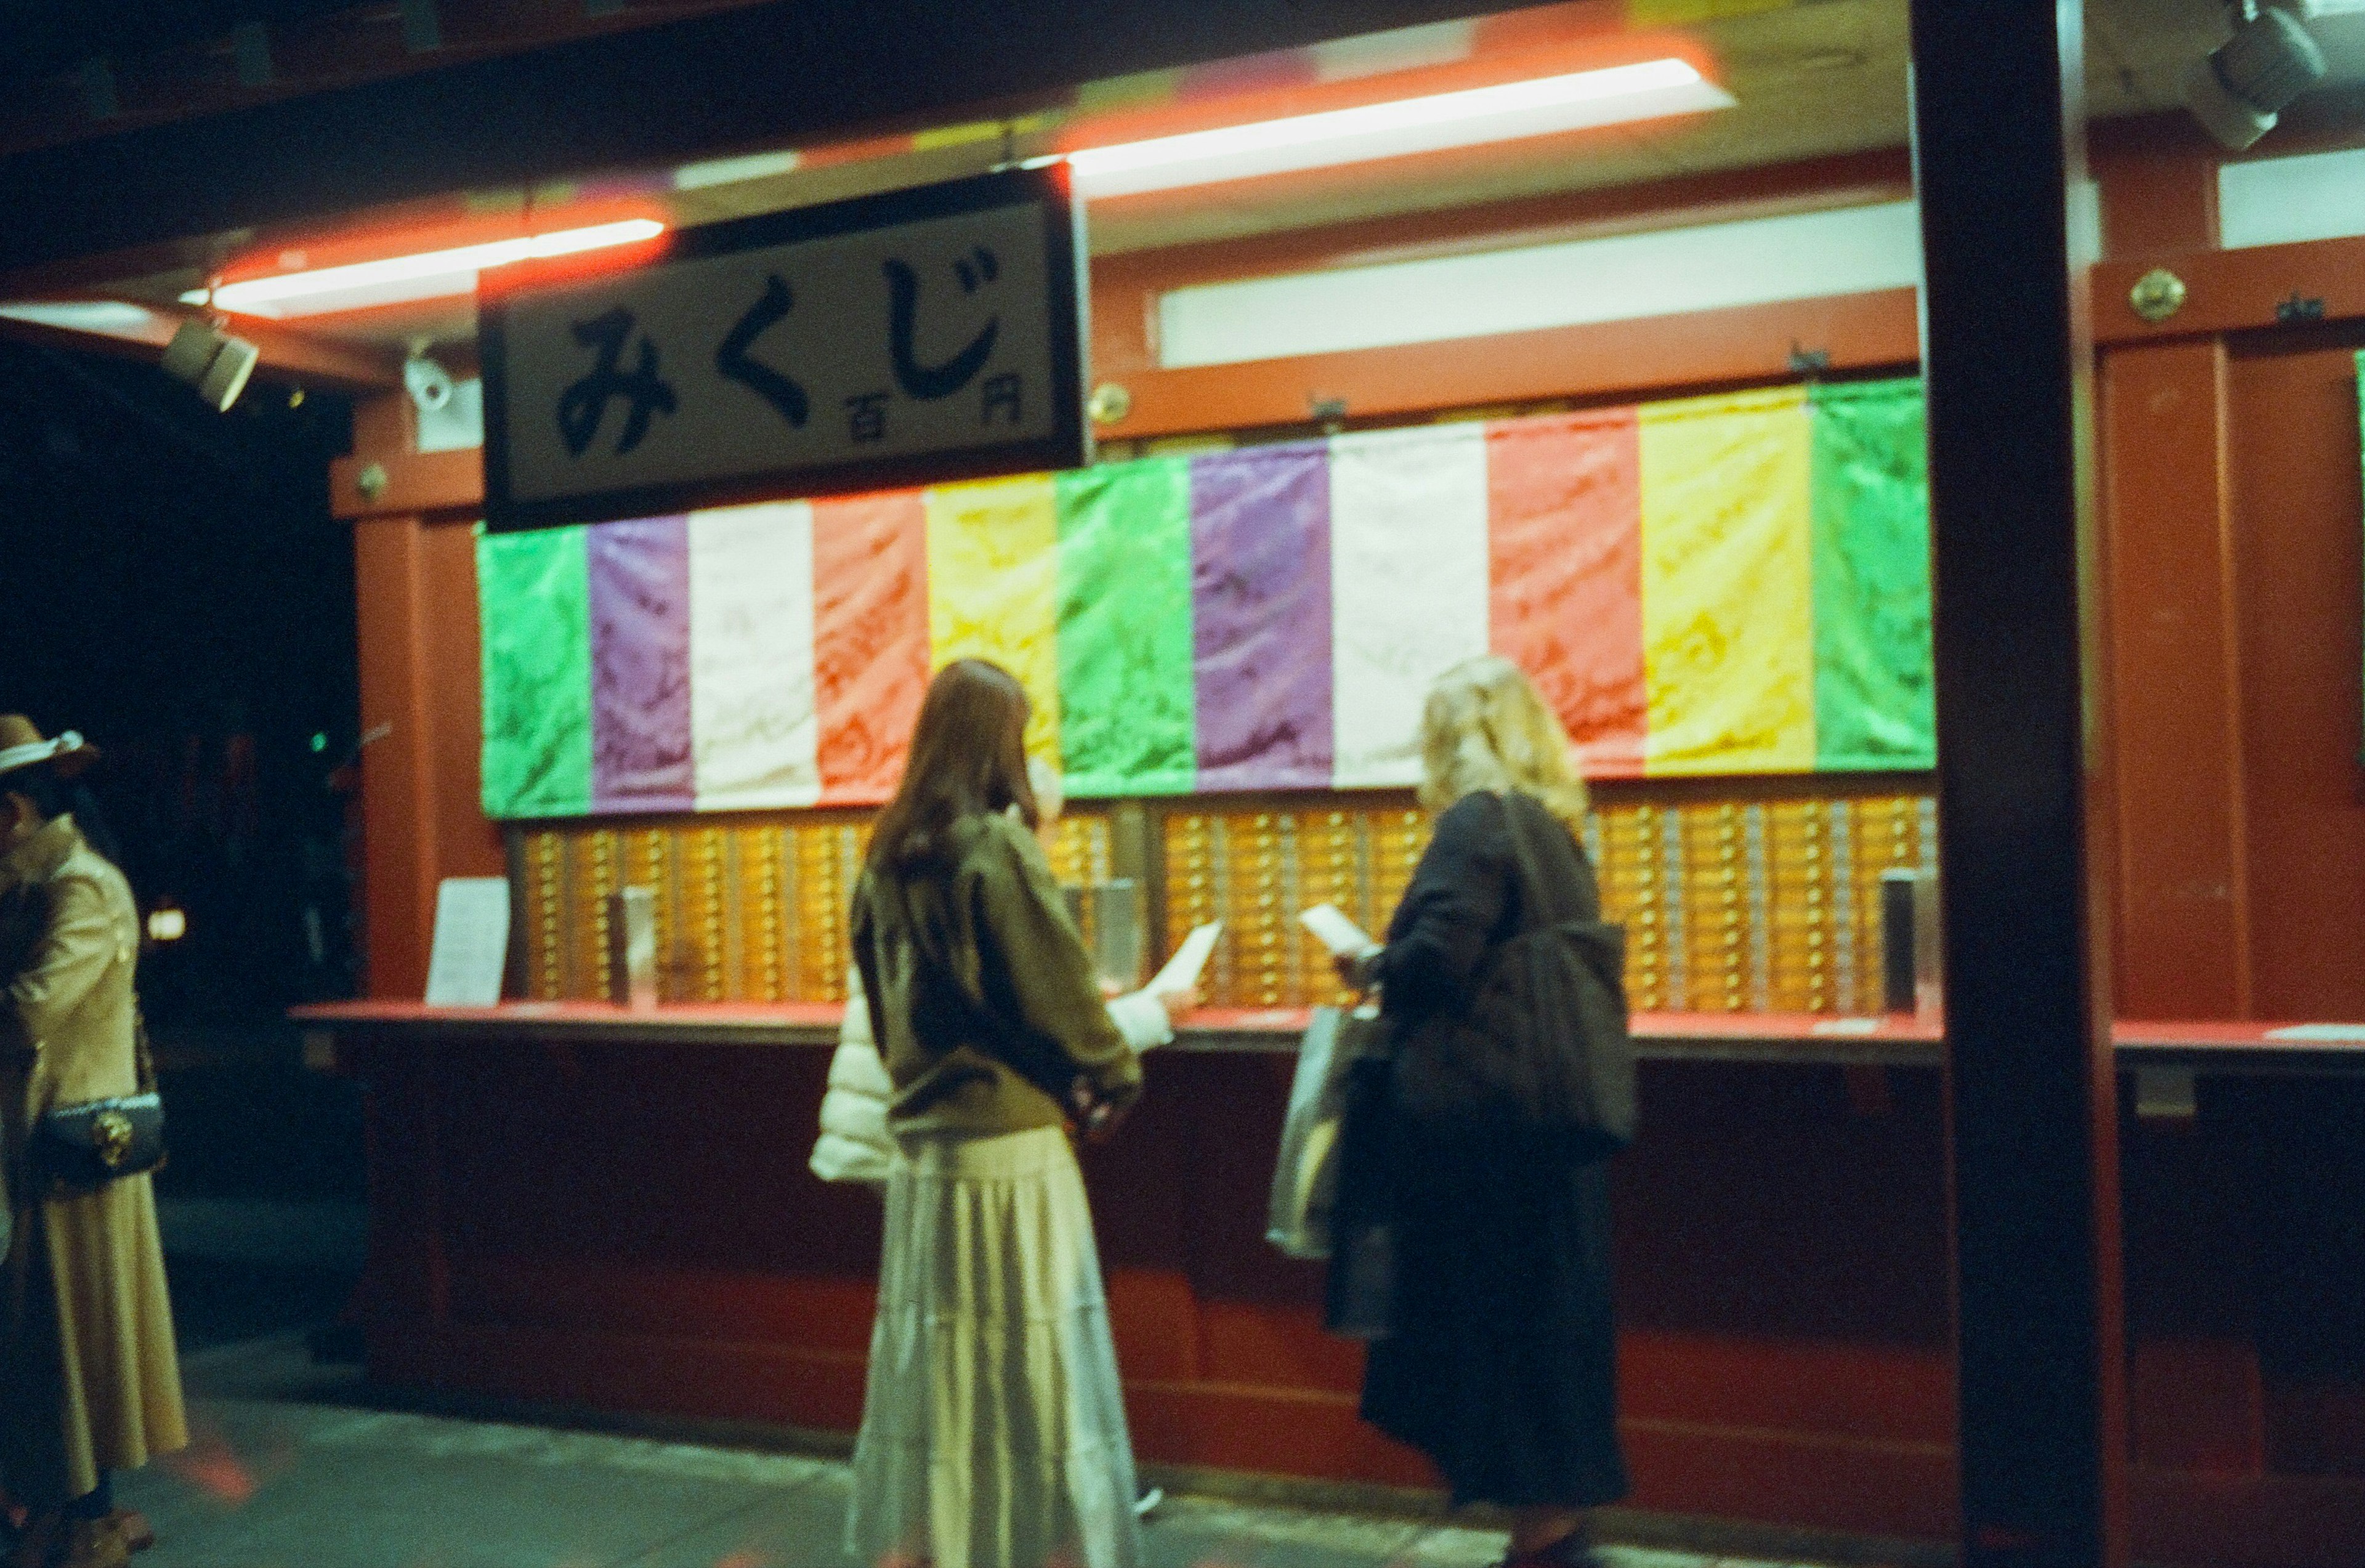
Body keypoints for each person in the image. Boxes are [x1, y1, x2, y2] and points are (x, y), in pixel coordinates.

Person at [843, 661, 1149, 1568]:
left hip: (926, 1160)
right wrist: (1112, 1077)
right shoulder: (996, 848)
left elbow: (877, 996)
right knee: (1037, 1377)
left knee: (940, 1379)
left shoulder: (885, 856)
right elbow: (1055, 994)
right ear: (997, 740)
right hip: (1010, 1153)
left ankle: (949, 1545)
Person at [1335, 658, 1628, 1568]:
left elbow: (1436, 962)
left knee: (1501, 1333)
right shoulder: (1553, 829)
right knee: (1553, 1331)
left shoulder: (1477, 821)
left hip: (1488, 1137)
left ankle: (1541, 1541)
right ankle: (1553, 1528)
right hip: (1553, 1124)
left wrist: (1368, 965)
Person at [811, 758, 1193, 1188]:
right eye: (1049, 825)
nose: (1053, 842)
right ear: (1017, 821)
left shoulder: (914, 864)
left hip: (882, 1130)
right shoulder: (989, 882)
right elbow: (1032, 1033)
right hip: (930, 1144)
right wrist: (1153, 1014)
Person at [0, 719, 185, 1568]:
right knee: (53, 1346)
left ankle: (85, 1521)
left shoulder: (76, 886)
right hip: (45, 1150)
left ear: (13, 813)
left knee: (71, 1347)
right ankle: (63, 1512)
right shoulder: (38, 882)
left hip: (70, 1156)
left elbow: (31, 1007)